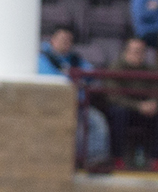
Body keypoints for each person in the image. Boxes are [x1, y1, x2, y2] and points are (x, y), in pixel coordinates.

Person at [38, 23, 112, 168]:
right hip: (52, 108)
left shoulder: (74, 59)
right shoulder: (43, 58)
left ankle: (95, 161)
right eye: (62, 39)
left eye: (69, 40)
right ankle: (68, 161)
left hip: (77, 106)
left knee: (97, 122)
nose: (66, 43)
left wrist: (74, 76)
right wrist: (74, 78)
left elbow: (90, 73)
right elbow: (52, 78)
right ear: (52, 40)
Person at [101, 36, 158, 169]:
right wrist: (138, 106)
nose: (138, 55)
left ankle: (156, 159)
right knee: (119, 112)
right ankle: (117, 158)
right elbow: (114, 96)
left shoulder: (151, 69)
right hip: (125, 109)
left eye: (141, 51)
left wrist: (154, 104)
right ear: (125, 52)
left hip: (146, 110)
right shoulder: (115, 68)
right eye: (135, 51)